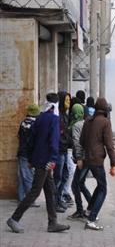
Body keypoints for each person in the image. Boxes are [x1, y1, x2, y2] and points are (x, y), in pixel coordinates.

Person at [7, 93, 70, 233]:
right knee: (35, 191)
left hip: (38, 160)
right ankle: (14, 219)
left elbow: (31, 141)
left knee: (50, 191)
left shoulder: (39, 118)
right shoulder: (54, 119)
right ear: (56, 105)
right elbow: (54, 142)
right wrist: (53, 159)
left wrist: (30, 159)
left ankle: (52, 223)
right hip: (46, 161)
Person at [80, 97, 115, 230]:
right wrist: (113, 164)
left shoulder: (88, 120)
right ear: (106, 109)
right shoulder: (105, 122)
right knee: (103, 189)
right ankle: (91, 219)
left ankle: (89, 210)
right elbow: (109, 145)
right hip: (97, 159)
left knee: (99, 185)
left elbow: (82, 141)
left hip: (88, 159)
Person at [67, 104, 92, 221]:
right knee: (81, 184)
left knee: (75, 185)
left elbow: (77, 142)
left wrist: (79, 158)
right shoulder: (87, 123)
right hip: (88, 158)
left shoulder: (76, 125)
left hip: (82, 159)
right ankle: (92, 207)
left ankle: (80, 210)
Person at [16, 103, 41, 206]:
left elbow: (18, 136)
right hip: (28, 154)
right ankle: (29, 200)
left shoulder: (23, 122)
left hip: (21, 152)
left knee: (22, 176)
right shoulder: (35, 124)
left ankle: (22, 198)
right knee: (28, 177)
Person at [54, 91, 72, 212]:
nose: (68, 102)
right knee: (58, 177)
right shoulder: (58, 116)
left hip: (65, 150)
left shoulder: (65, 115)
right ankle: (54, 203)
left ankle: (59, 198)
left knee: (65, 175)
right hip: (60, 151)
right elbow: (59, 135)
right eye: (66, 100)